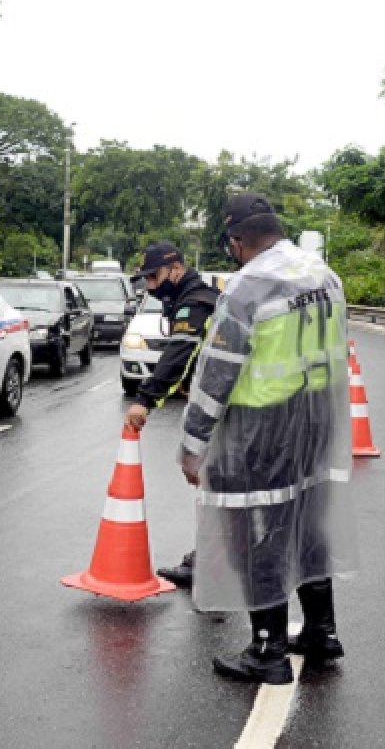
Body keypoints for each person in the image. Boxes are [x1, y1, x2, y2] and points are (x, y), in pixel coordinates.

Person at [178, 192, 358, 685]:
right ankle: (322, 631)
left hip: (263, 426)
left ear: (237, 240)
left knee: (259, 533)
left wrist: (193, 444)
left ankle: (268, 651)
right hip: (319, 416)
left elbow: (218, 372)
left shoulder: (248, 286)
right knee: (309, 524)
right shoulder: (324, 275)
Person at [122, 240, 220, 588]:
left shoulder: (195, 304)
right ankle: (214, 558)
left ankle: (215, 563)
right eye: (146, 279)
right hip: (223, 403)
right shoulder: (191, 297)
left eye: (154, 277)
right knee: (217, 484)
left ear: (176, 269)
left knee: (215, 482)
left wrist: (145, 400)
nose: (150, 285)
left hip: (223, 408)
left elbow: (180, 354)